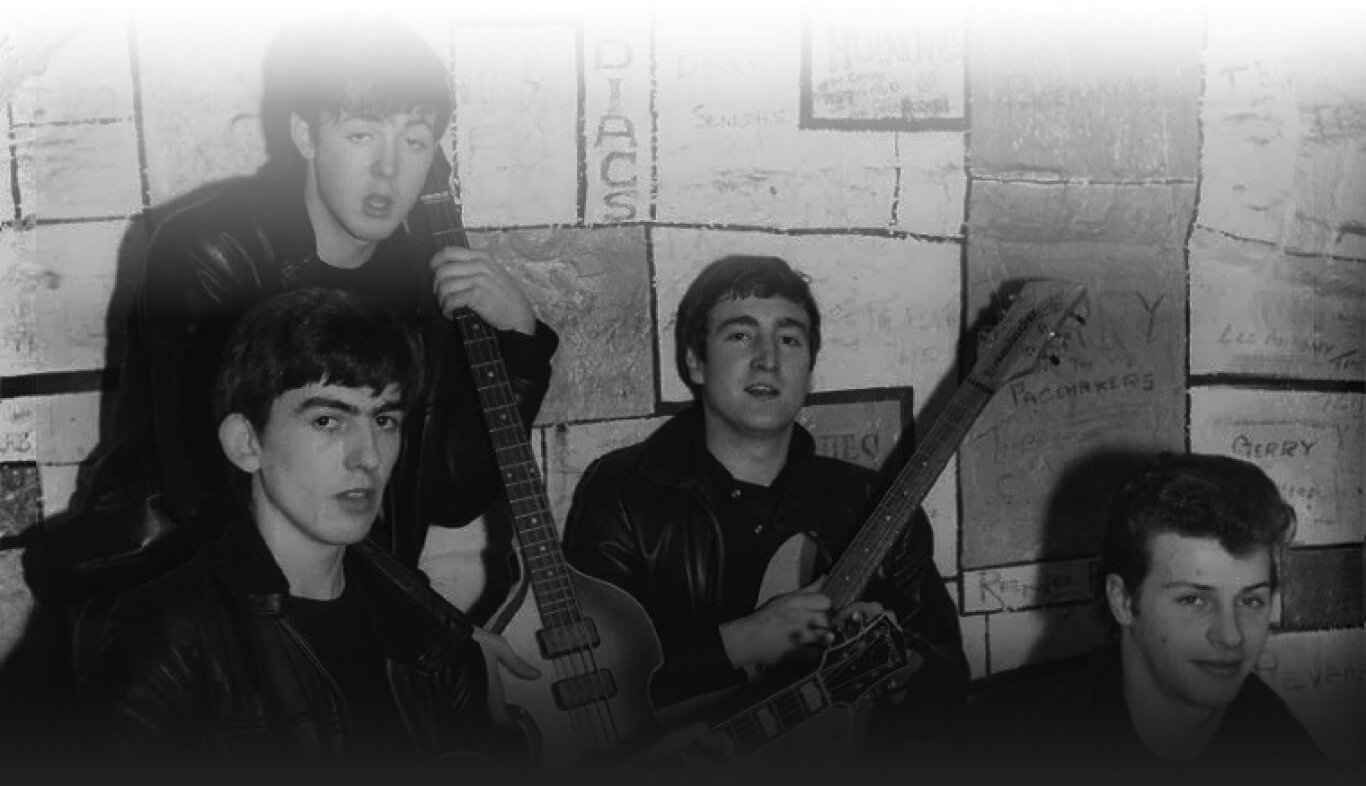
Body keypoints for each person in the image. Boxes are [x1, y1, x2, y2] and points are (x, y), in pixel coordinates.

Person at [31, 14, 557, 605]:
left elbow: (447, 497)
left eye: (413, 141)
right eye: (361, 136)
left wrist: (519, 344)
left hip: (342, 581)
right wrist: (404, 621)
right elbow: (208, 484)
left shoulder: (421, 281)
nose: (389, 169)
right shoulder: (211, 250)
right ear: (306, 136)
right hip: (181, 578)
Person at [561, 255, 968, 776]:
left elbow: (948, 685)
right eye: (740, 335)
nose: (768, 360)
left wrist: (901, 667)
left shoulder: (876, 505)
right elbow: (586, 694)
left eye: (789, 339)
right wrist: (742, 641)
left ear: (809, 370)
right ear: (695, 362)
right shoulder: (620, 492)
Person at [73, 288, 496, 781]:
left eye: (384, 420)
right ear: (246, 443)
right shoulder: (168, 636)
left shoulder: (436, 643)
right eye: (327, 420)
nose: (368, 456)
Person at [969, 452, 1329, 785]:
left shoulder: (1284, 748)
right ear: (1123, 601)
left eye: (1250, 601)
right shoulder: (1020, 755)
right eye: (1194, 600)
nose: (1231, 635)